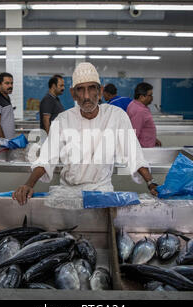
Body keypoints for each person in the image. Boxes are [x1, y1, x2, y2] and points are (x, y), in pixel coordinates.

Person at [13, 62, 159, 205]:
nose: (87, 96)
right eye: (81, 89)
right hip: (68, 194)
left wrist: (151, 182)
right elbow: (46, 158)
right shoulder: (63, 120)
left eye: (91, 88)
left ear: (100, 91)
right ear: (73, 94)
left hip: (102, 193)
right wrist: (29, 184)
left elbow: (134, 154)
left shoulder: (116, 116)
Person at [127, 82, 162, 148]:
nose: (152, 98)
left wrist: (153, 139)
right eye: (150, 95)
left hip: (145, 146)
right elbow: (134, 134)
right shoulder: (140, 111)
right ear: (141, 97)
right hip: (144, 149)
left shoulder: (133, 104)